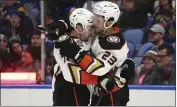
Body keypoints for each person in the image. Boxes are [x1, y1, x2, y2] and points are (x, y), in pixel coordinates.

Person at [56, 1, 135, 106]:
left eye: (98, 19)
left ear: (109, 21)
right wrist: (64, 24)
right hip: (99, 92)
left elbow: (98, 68)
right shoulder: (101, 30)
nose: (94, 22)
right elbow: (82, 24)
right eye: (94, 18)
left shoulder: (113, 44)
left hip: (112, 94)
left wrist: (76, 53)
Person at [52, 8, 94, 106]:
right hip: (69, 86)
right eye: (89, 28)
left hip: (79, 86)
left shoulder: (86, 39)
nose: (92, 32)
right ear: (79, 28)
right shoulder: (64, 43)